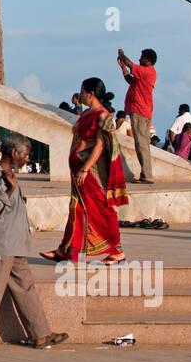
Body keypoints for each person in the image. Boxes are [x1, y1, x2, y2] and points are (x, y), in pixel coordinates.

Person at [0, 133, 69, 351]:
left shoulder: (8, 175)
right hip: (2, 244)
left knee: (25, 288)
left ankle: (40, 334)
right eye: (25, 154)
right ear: (13, 153)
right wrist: (9, 191)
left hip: (14, 244)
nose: (27, 158)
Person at [43, 77, 127, 264]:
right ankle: (67, 249)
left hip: (91, 172)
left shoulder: (103, 116)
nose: (80, 94)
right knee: (77, 208)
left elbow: (99, 144)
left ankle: (117, 250)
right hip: (78, 169)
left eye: (82, 91)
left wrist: (85, 168)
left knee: (100, 210)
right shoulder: (88, 113)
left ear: (91, 94)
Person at [117, 48, 157, 184]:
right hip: (140, 111)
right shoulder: (144, 74)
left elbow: (130, 63)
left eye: (142, 57)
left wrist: (122, 55)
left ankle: (147, 175)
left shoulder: (147, 71)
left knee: (141, 144)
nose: (140, 59)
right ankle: (145, 174)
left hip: (140, 111)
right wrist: (123, 68)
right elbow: (131, 80)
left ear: (147, 60)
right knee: (141, 143)